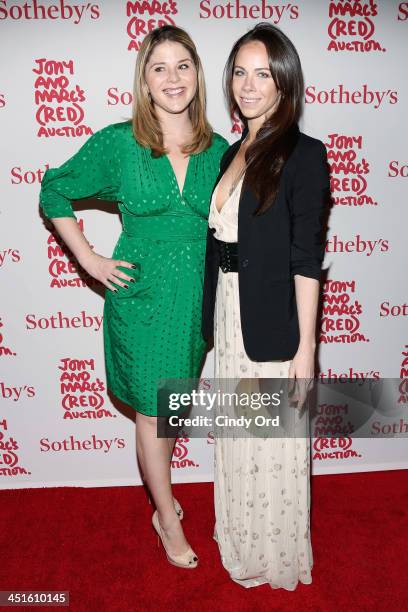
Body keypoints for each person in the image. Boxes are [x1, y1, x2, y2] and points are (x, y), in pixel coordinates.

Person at [39, 25, 228, 569]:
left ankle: (161, 500)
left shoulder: (218, 150)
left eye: (183, 66)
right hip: (140, 298)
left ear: (198, 75)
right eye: (159, 67)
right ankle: (166, 516)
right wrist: (89, 259)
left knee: (168, 410)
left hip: (195, 300)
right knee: (152, 410)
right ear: (144, 80)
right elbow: (55, 188)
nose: (173, 78)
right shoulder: (120, 143)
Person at [202, 23, 330, 589]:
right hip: (230, 316)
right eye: (240, 72)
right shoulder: (232, 151)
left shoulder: (305, 155)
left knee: (274, 441)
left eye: (263, 74)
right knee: (239, 433)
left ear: (285, 83)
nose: (249, 86)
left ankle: (275, 552)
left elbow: (307, 258)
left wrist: (307, 349)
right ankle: (240, 535)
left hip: (274, 321)